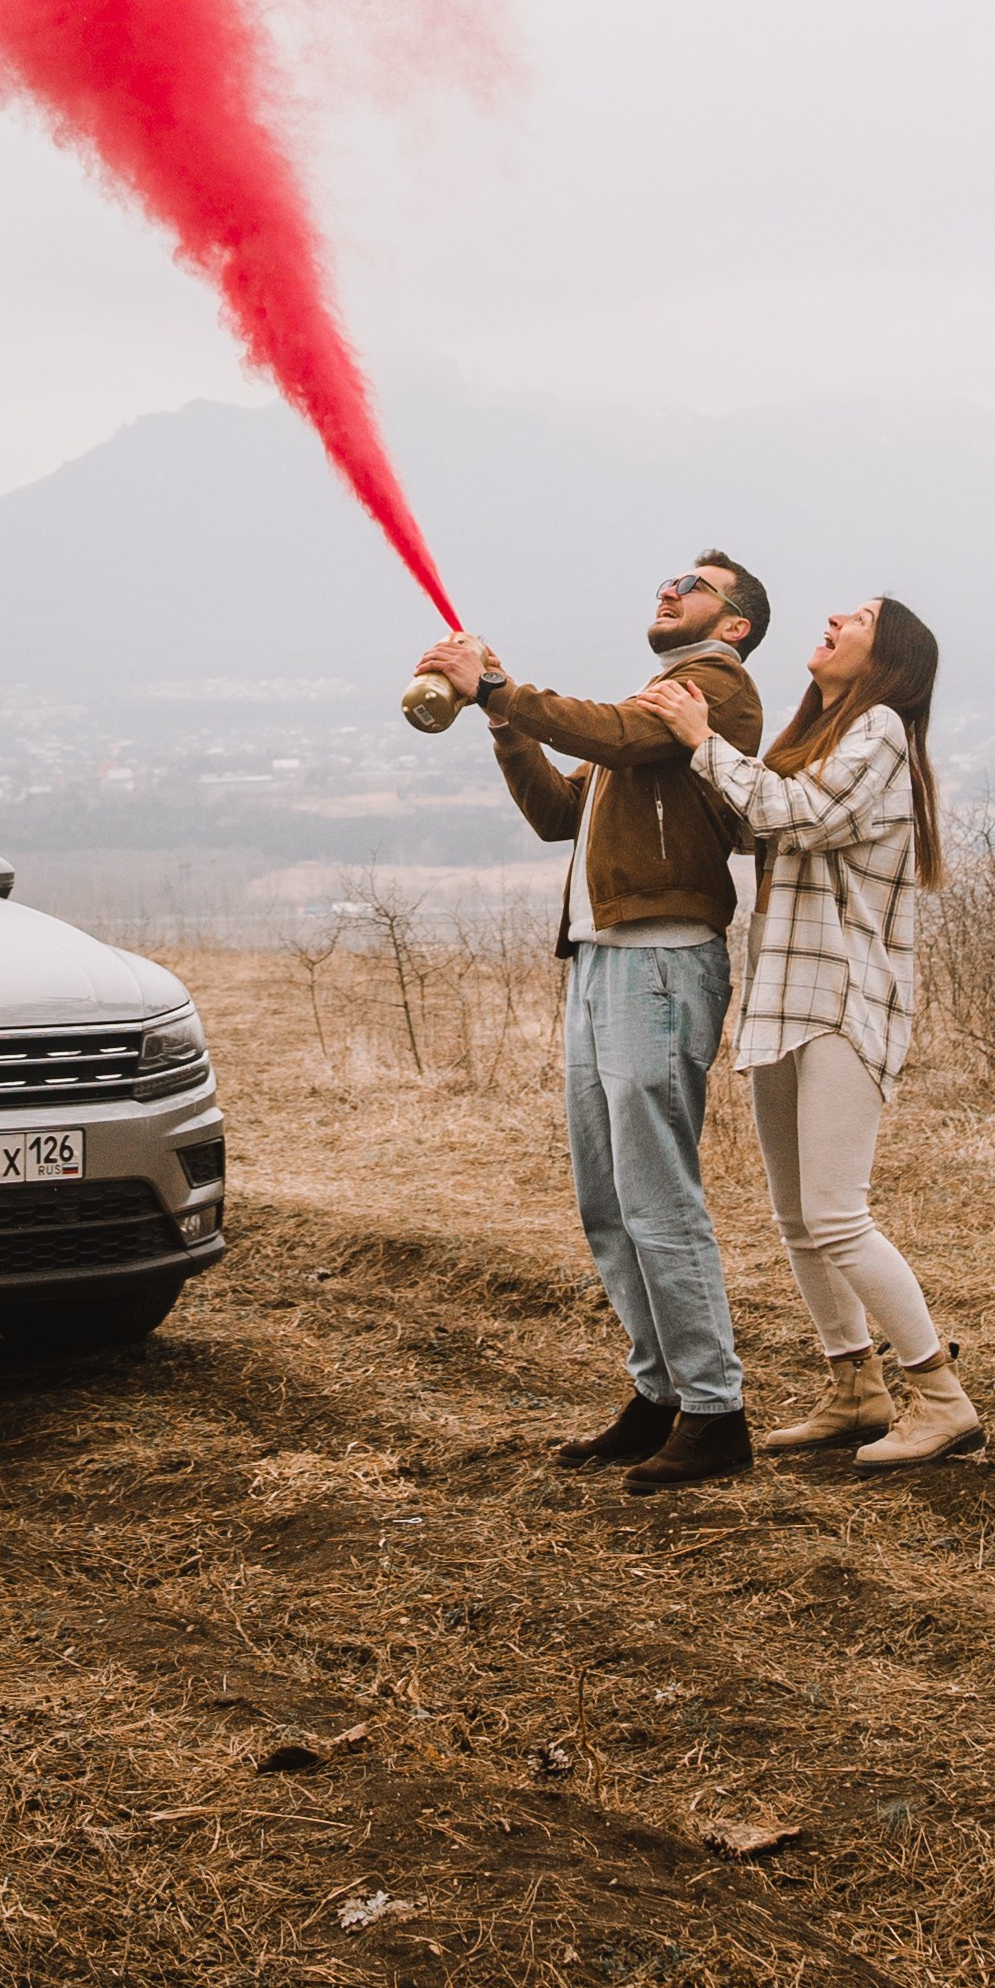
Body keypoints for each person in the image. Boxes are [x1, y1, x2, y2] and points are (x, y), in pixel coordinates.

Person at [415, 556, 768, 1492]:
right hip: (606, 963)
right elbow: (556, 814)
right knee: (608, 1205)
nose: (668, 588)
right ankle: (660, 1395)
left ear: (732, 625)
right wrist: (499, 719)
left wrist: (497, 682)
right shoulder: (647, 706)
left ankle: (714, 1410)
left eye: (694, 585)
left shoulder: (711, 688)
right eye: (667, 579)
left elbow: (609, 736)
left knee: (656, 1199)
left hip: (659, 962)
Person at [639, 593, 983, 1470]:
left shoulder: (881, 734)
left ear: (888, 657)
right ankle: (855, 1389)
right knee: (797, 1218)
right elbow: (763, 807)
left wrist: (698, 741)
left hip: (840, 998)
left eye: (858, 616)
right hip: (783, 996)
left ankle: (942, 1401)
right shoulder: (824, 739)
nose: (833, 617)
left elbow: (799, 816)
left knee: (835, 1216)